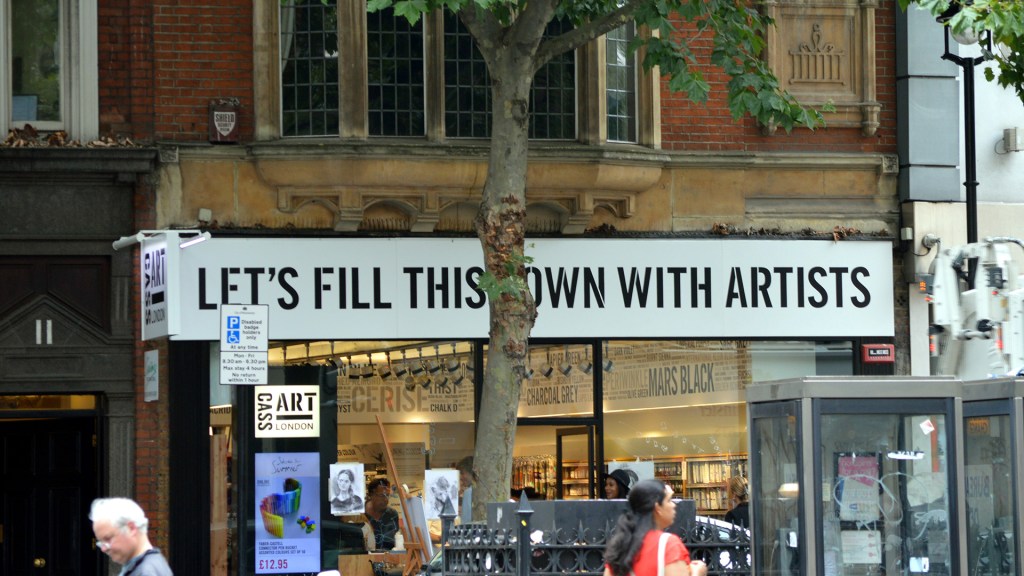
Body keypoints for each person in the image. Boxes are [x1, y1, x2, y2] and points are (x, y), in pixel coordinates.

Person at [603, 479, 706, 576]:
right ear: (658, 508)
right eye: (669, 500)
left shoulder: (619, 547)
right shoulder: (668, 545)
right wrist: (697, 573)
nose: (674, 505)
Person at [90, 497, 173, 576]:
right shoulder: (149, 565)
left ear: (131, 528)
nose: (103, 549)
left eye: (107, 539)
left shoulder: (146, 572)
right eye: (101, 542)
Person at [364, 478, 400, 550]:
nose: (386, 499)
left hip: (389, 559)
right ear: (371, 495)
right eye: (382, 495)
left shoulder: (392, 515)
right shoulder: (360, 515)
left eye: (387, 495)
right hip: (364, 559)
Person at [456, 456, 477, 523]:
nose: (461, 477)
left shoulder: (468, 492)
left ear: (470, 472)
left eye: (462, 473)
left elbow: (466, 523)